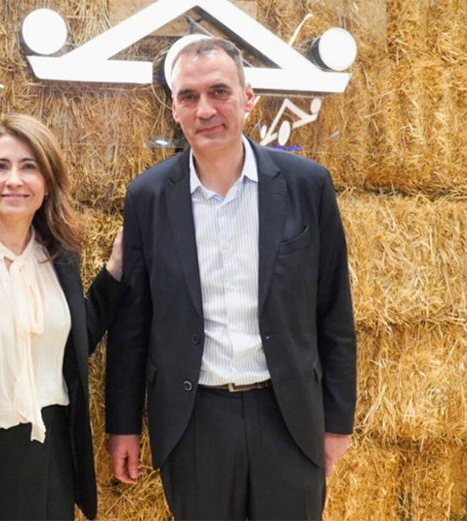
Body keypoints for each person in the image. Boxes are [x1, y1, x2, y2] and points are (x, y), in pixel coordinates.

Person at [106, 37, 357, 521]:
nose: (205, 109)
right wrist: (123, 426)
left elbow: (334, 310)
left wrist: (337, 421)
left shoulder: (308, 185)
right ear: (174, 110)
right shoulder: (148, 197)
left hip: (288, 417)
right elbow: (132, 325)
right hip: (195, 420)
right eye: (189, 96)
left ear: (248, 98)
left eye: (219, 91)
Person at [0, 114, 127, 521]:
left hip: (51, 450)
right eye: (1, 166)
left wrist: (116, 270)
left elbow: (75, 341)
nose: (13, 180)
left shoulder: (61, 255)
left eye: (29, 167)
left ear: (47, 182)